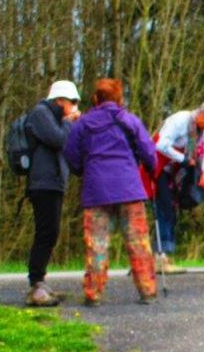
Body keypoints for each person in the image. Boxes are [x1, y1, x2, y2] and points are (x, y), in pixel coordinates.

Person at [62, 79, 157, 306]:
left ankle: (93, 293)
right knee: (138, 243)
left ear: (96, 98)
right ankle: (147, 290)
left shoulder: (83, 124)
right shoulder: (130, 120)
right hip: (130, 190)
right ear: (119, 98)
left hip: (96, 191)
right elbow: (149, 152)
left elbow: (71, 154)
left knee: (97, 245)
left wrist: (84, 170)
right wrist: (151, 170)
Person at [24, 80, 81, 306]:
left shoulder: (54, 117)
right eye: (72, 102)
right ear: (60, 100)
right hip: (42, 183)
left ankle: (40, 280)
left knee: (51, 232)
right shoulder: (40, 113)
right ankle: (36, 282)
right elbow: (58, 139)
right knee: (46, 232)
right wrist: (69, 123)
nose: (75, 106)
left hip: (54, 183)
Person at [151, 100, 204, 273]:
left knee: (172, 210)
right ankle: (159, 256)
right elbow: (160, 145)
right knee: (164, 208)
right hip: (158, 168)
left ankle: (163, 256)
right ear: (203, 115)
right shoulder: (180, 120)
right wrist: (182, 158)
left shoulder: (200, 130)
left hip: (175, 173)